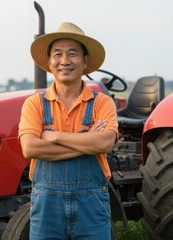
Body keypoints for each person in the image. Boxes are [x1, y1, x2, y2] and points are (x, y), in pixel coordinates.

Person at [18, 22, 118, 239]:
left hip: (91, 205)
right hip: (47, 208)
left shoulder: (102, 103)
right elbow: (30, 147)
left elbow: (105, 144)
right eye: (58, 54)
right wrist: (87, 141)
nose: (65, 61)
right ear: (50, 63)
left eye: (72, 54)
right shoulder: (34, 104)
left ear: (85, 61)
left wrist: (53, 136)